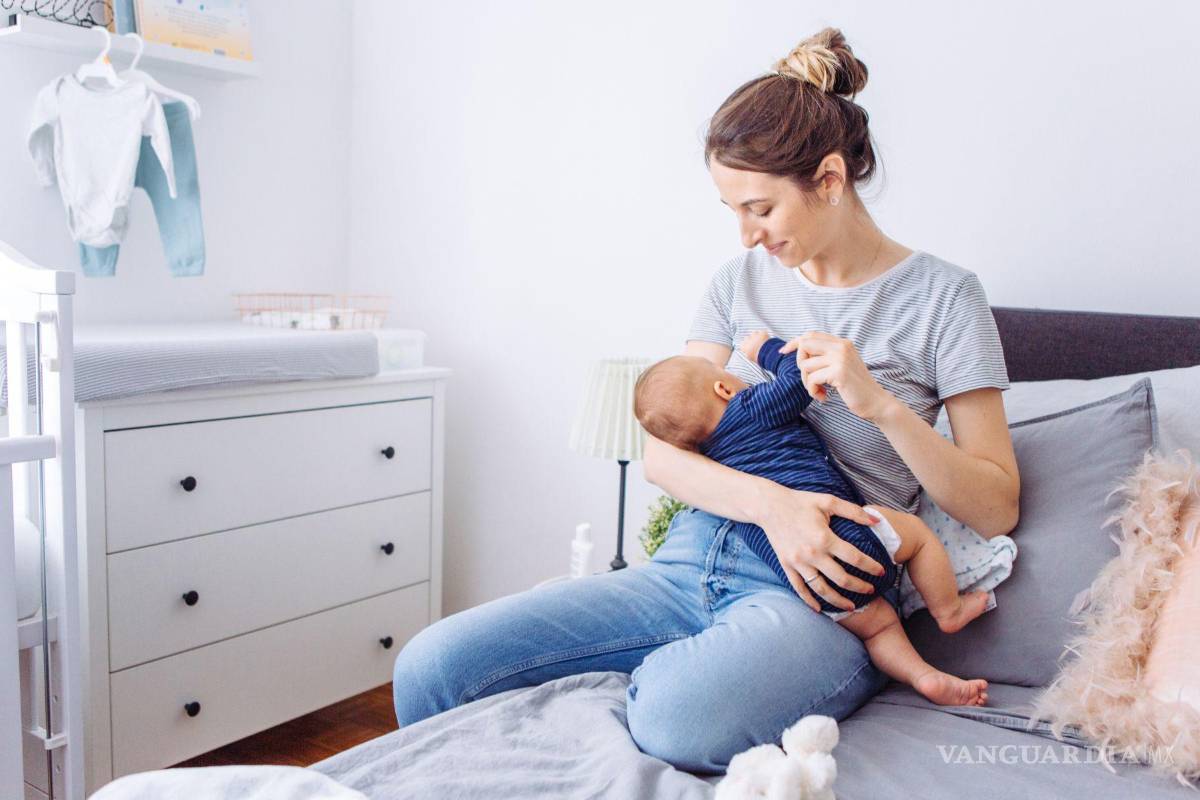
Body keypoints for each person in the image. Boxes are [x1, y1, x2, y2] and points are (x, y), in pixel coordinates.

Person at [391, 27, 1019, 773]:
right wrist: (774, 507)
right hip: (690, 556)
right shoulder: (737, 285)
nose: (747, 236)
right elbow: (664, 457)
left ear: (828, 179)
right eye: (732, 210)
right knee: (433, 666)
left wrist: (879, 404)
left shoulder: (945, 298)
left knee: (680, 720)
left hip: (817, 597)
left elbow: (994, 505)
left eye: (759, 208)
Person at [633, 330, 992, 707]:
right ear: (723, 389)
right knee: (917, 537)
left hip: (807, 578)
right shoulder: (750, 407)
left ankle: (924, 676)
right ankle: (948, 610)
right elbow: (799, 382)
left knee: (880, 628)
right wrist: (766, 351)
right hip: (848, 535)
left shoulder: (707, 461)